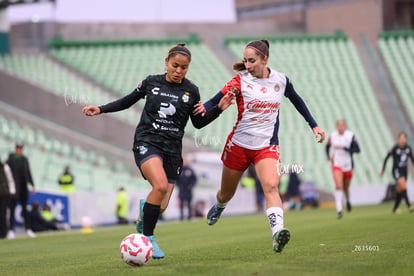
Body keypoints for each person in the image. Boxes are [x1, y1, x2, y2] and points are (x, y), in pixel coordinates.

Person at [82, 43, 234, 259]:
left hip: (172, 150)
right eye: (175, 65)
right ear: (166, 62)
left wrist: (218, 108)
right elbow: (128, 101)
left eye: (183, 67)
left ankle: (146, 212)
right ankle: (148, 238)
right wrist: (101, 109)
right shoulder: (151, 82)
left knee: (160, 206)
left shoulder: (191, 90)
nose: (178, 71)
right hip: (147, 142)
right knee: (160, 185)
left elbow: (198, 123)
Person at [194, 40, 325, 253]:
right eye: (245, 61)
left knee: (271, 186)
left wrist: (314, 125)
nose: (247, 65)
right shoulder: (239, 81)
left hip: (266, 147)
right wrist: (203, 108)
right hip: (239, 145)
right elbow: (212, 102)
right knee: (226, 194)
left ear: (265, 59)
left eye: (252, 61)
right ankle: (219, 206)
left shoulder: (281, 80)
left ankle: (277, 234)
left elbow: (297, 100)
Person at [326, 119, 360, 219]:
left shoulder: (350, 136)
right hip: (337, 163)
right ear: (336, 127)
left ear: (345, 126)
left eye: (342, 125)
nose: (340, 127)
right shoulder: (332, 136)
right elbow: (327, 146)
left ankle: (348, 200)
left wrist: (348, 149)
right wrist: (328, 156)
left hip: (348, 164)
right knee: (338, 186)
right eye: (339, 126)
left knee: (345, 188)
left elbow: (357, 149)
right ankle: (339, 210)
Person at [6, 142, 36, 238]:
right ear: (16, 149)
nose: (19, 150)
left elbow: (28, 172)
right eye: (18, 148)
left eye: (21, 148)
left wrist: (32, 184)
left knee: (25, 209)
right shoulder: (10, 159)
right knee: (12, 209)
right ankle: (11, 230)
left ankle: (28, 229)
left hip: (24, 188)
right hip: (14, 188)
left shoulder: (24, 159)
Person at [380, 131, 414, 214]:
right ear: (398, 139)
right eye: (401, 138)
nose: (403, 140)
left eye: (404, 138)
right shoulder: (394, 148)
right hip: (396, 170)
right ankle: (409, 206)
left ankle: (395, 209)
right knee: (403, 186)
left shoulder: (408, 148)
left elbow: (412, 159)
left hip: (404, 171)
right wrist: (383, 170)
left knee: (399, 190)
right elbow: (386, 158)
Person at [0, 155, 16, 239]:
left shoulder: (5, 167)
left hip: (4, 194)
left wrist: (12, 191)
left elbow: (10, 180)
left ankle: (4, 233)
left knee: (3, 213)